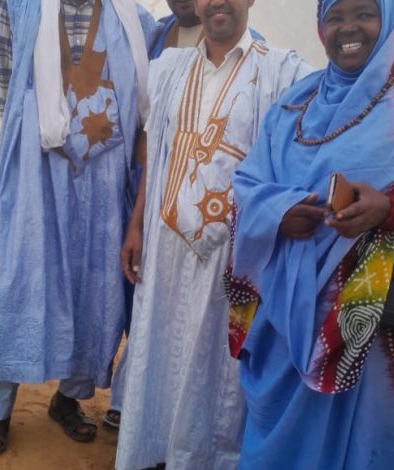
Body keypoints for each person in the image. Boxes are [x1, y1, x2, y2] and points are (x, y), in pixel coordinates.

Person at [229, 0, 394, 468]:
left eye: (364, 13)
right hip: (286, 318)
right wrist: (279, 213)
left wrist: (389, 210)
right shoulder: (297, 101)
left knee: (368, 447)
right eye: (335, 17)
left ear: (391, 18)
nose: (348, 28)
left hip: (383, 318)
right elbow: (249, 183)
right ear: (320, 27)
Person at [114, 0, 313, 468]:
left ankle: (202, 459)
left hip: (232, 257)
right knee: (160, 353)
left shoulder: (283, 73)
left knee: (215, 370)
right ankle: (157, 453)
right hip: (164, 247)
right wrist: (136, 225)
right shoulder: (169, 69)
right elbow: (157, 154)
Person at [0, 0, 156, 456]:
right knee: (18, 280)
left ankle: (68, 398)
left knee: (92, 287)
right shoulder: (19, 8)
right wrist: (46, 121)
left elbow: (142, 105)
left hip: (102, 184)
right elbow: (6, 93)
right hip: (34, 172)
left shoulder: (134, 19)